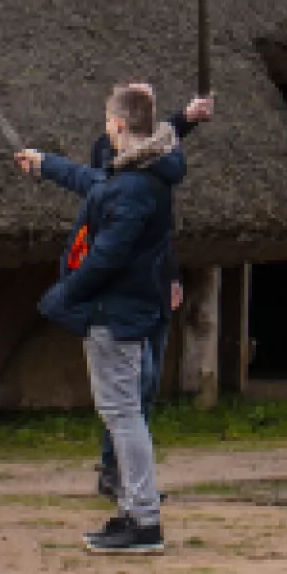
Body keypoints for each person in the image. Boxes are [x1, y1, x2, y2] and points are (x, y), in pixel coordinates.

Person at [17, 85, 184, 555]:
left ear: (118, 125)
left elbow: (109, 253)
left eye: (108, 122)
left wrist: (67, 292)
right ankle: (134, 510)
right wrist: (47, 163)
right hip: (121, 307)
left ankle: (144, 519)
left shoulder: (135, 184)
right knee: (123, 411)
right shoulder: (141, 175)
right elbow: (95, 184)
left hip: (115, 310)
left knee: (123, 413)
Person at [84, 89, 212, 501]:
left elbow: (159, 238)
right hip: (123, 293)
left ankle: (133, 479)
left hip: (155, 285)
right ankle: (114, 472)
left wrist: (172, 277)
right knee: (125, 393)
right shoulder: (110, 158)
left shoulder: (160, 167)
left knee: (147, 383)